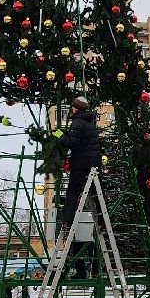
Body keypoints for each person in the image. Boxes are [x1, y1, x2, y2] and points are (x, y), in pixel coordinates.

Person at [57, 96, 101, 230]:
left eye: (73, 107)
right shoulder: (90, 123)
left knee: (73, 191)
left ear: (76, 108)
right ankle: (103, 222)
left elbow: (74, 144)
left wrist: (60, 136)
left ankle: (67, 221)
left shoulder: (76, 122)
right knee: (98, 193)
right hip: (95, 163)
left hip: (81, 163)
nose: (71, 109)